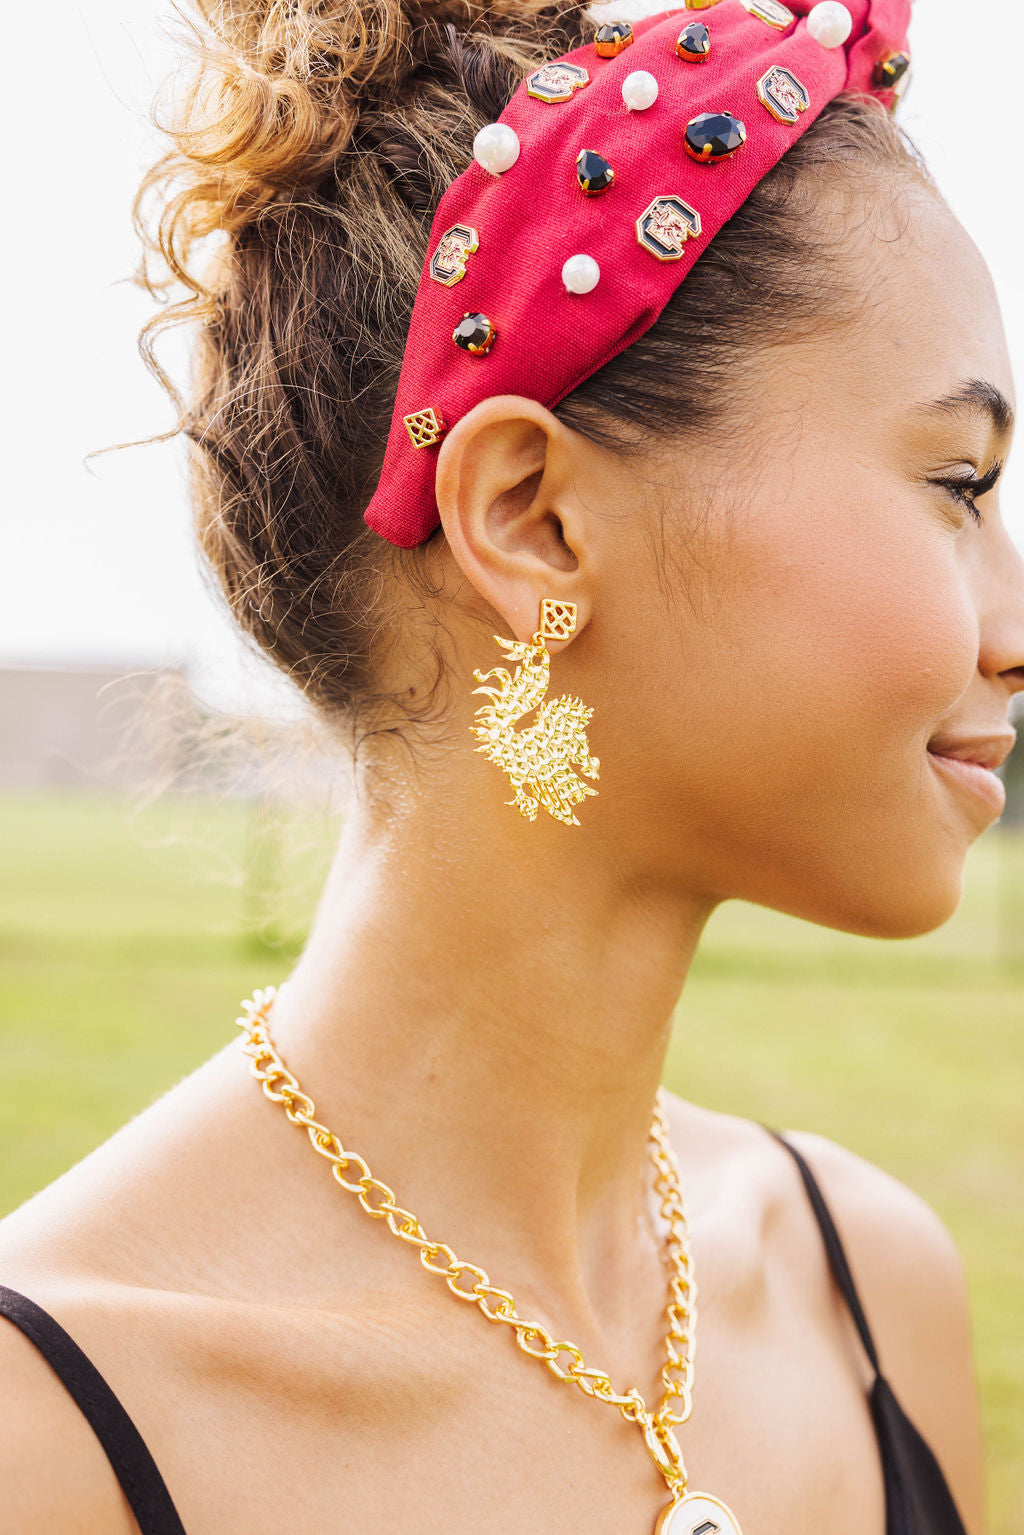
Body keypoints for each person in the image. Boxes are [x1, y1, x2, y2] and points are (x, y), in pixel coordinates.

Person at [0, 0, 1018, 1530]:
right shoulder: (54, 1437)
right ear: (535, 519)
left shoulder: (864, 1285)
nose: (1010, 622)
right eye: (957, 484)